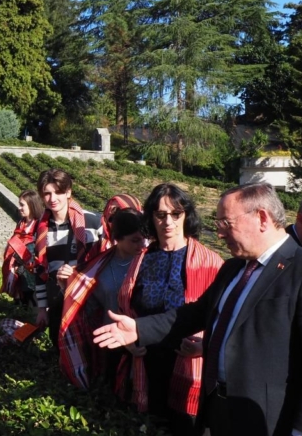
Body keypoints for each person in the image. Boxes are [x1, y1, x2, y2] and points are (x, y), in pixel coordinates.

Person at [93, 182, 302, 436]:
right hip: (217, 409)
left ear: (262, 218)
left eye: (226, 223)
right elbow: (194, 314)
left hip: (267, 420)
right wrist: (138, 328)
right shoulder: (234, 268)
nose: (220, 233)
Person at [115, 185, 223, 434]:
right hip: (146, 360)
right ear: (151, 218)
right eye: (160, 214)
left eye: (176, 214)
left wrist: (202, 346)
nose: (168, 221)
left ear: (186, 216)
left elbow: (219, 315)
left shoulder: (210, 262)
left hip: (188, 361)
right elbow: (126, 305)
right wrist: (129, 343)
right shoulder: (142, 258)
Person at [59, 209, 145, 391]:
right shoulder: (100, 264)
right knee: (109, 389)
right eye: (135, 240)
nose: (142, 245)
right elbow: (85, 302)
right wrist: (67, 282)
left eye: (144, 238)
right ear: (118, 239)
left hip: (139, 340)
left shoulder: (147, 263)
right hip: (108, 339)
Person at [32, 168, 87, 349]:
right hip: (57, 302)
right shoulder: (41, 231)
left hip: (85, 303)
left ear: (68, 192)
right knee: (59, 350)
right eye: (47, 194)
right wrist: (42, 309)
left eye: (58, 192)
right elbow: (39, 270)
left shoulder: (89, 223)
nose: (52, 199)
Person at [0, 190, 44, 303]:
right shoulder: (21, 223)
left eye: (22, 205)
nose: (19, 207)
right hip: (16, 266)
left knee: (28, 297)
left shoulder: (39, 226)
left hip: (30, 270)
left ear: (32, 205)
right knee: (19, 298)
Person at [83, 194, 142, 265]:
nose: (111, 214)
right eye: (111, 209)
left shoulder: (137, 239)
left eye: (117, 210)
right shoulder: (91, 226)